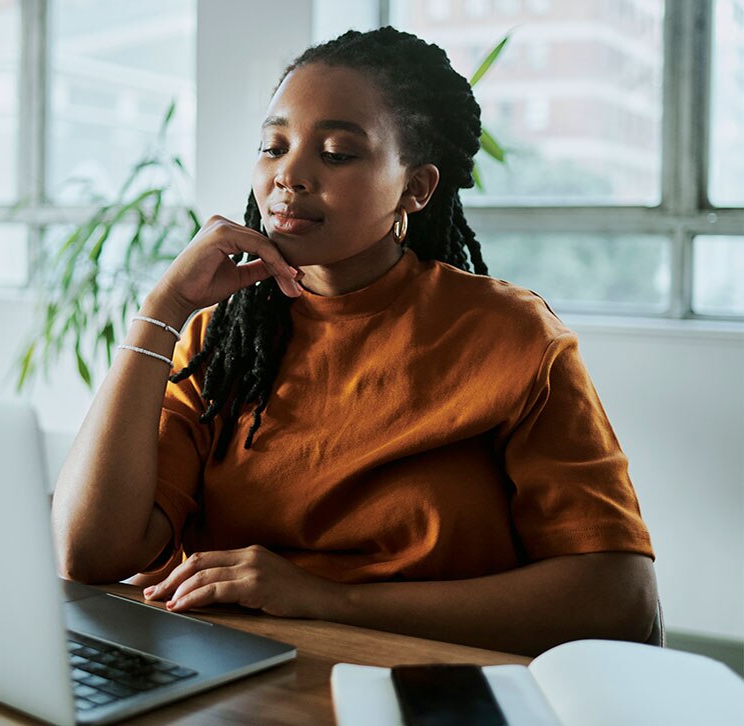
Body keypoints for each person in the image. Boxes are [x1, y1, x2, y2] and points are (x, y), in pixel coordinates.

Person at [52, 27, 657, 657]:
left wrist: (325, 598)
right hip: (236, 673)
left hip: (424, 683)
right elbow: (89, 554)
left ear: (415, 189)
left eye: (337, 153)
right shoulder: (222, 337)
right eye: (272, 146)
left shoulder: (510, 336)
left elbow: (617, 598)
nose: (289, 175)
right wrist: (162, 311)